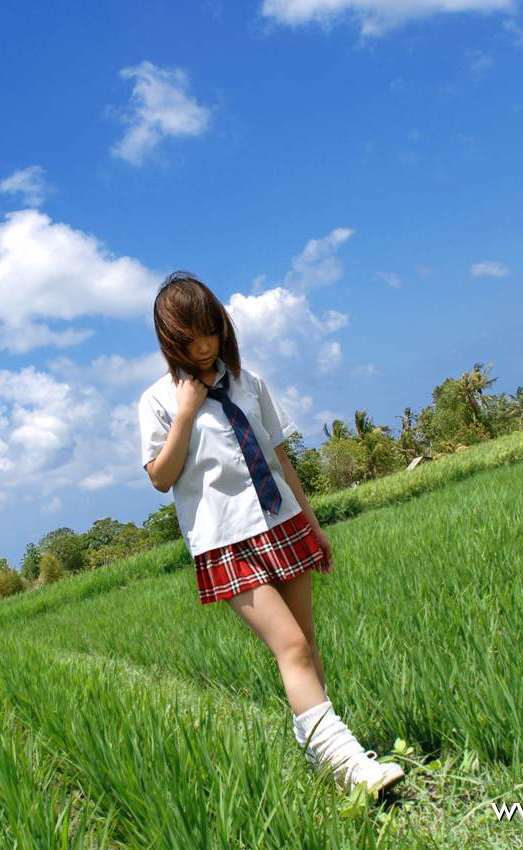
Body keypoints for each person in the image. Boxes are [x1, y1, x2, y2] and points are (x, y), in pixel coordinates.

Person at [137, 270, 404, 800]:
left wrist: (313, 525)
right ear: (170, 342)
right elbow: (160, 477)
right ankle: (350, 766)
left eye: (211, 332)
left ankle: (326, 754)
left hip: (282, 522)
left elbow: (280, 457)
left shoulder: (249, 382)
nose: (205, 346)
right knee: (291, 646)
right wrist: (186, 413)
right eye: (190, 339)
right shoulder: (158, 400)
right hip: (226, 540)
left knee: (306, 643)